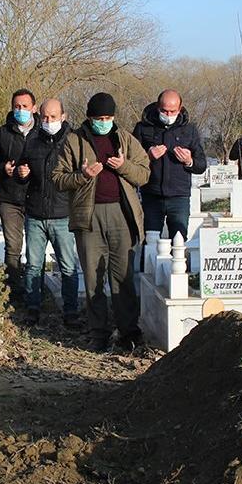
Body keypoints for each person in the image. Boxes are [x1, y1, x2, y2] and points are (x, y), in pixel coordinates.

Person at [52, 92, 149, 352]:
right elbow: (58, 178)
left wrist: (123, 166)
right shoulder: (74, 141)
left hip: (121, 213)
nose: (103, 122)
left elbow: (144, 174)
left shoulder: (126, 139)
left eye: (107, 118)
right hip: (89, 216)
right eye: (98, 118)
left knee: (123, 277)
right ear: (89, 117)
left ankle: (129, 331)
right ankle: (98, 333)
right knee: (94, 278)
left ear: (114, 117)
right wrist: (82, 175)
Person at [19, 98, 80, 327]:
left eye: (53, 117)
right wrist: (20, 173)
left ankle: (71, 311)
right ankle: (33, 309)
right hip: (35, 213)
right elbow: (22, 172)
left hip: (63, 214)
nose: (48, 121)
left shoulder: (73, 141)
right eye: (44, 117)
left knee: (67, 266)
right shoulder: (32, 140)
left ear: (63, 116)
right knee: (34, 265)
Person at [132, 89, 207, 240]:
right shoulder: (143, 128)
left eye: (172, 111)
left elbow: (201, 165)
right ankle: (147, 264)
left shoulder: (190, 130)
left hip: (179, 196)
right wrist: (147, 156)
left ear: (180, 109)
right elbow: (130, 161)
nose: (168, 116)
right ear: (157, 107)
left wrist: (189, 161)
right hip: (151, 195)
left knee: (179, 241)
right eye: (164, 111)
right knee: (149, 240)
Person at [0, 89, 37, 296]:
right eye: (17, 106)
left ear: (33, 107)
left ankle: (34, 291)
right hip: (10, 198)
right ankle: (13, 292)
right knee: (13, 247)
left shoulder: (42, 132)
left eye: (24, 106)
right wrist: (3, 168)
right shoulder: (1, 133)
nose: (20, 110)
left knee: (35, 249)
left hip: (36, 198)